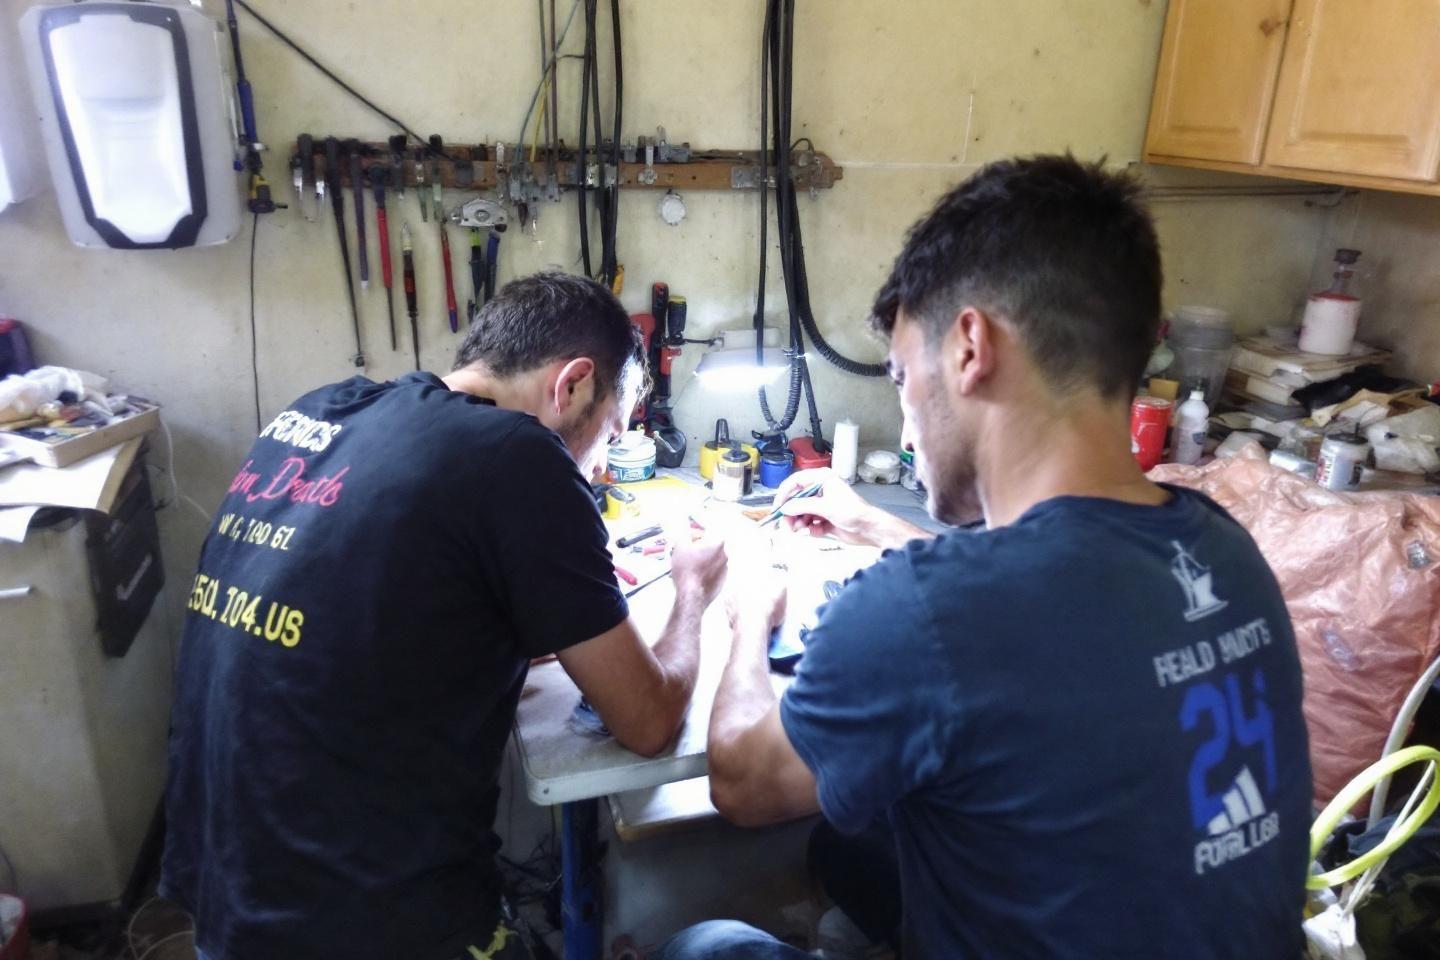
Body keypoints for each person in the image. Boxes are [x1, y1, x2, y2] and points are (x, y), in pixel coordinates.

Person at [661, 155, 1312, 959]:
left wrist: (752, 608)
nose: (906, 422)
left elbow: (744, 783)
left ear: (969, 348)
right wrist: (879, 527)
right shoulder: (1223, 548)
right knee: (852, 848)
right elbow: (1060, 599)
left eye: (902, 376)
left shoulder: (924, 613)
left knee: (707, 947)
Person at [160, 272, 728, 960]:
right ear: (572, 384)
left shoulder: (318, 413)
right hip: (360, 923)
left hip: (222, 898)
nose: (601, 467)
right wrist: (693, 586)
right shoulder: (517, 457)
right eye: (610, 433)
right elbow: (648, 721)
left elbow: (385, 613)